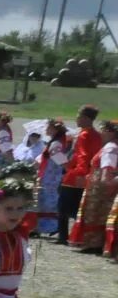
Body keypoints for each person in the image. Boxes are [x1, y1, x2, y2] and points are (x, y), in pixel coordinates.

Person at [68, 119, 118, 255]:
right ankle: (97, 243)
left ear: (110, 132)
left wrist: (104, 181)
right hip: (100, 184)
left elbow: (107, 167)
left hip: (99, 186)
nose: (101, 133)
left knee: (94, 214)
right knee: (99, 214)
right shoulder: (112, 146)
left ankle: (93, 243)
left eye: (103, 130)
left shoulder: (111, 148)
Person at [57, 105, 100, 244]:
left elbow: (83, 155)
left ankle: (63, 237)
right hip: (88, 173)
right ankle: (82, 236)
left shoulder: (84, 135)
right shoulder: (96, 134)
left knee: (64, 208)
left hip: (76, 175)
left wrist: (78, 173)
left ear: (86, 118)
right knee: (78, 208)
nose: (77, 118)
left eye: (79, 116)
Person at [34, 120, 68, 237]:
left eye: (49, 128)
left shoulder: (56, 143)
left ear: (55, 130)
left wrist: (67, 168)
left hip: (51, 174)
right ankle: (45, 226)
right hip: (48, 173)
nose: (46, 130)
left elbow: (59, 158)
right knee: (46, 198)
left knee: (49, 199)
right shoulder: (54, 142)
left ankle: (53, 226)